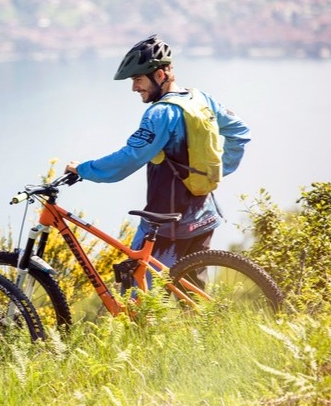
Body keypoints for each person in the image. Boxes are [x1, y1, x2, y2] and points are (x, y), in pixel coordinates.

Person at [65, 35, 251, 276]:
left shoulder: (161, 113)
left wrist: (83, 169)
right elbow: (240, 132)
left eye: (138, 79)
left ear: (160, 75)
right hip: (204, 216)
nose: (134, 88)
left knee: (139, 296)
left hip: (168, 224)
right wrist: (215, 169)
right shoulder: (201, 99)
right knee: (194, 297)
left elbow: (129, 159)